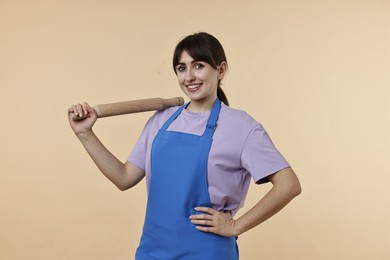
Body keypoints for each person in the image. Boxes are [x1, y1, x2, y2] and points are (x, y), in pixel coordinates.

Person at [68, 32, 301, 260]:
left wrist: (236, 226)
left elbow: (288, 185)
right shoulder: (160, 120)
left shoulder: (241, 126)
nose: (189, 76)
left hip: (207, 252)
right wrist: (85, 133)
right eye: (181, 68)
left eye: (198, 65)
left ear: (221, 70)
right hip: (153, 249)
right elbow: (124, 177)